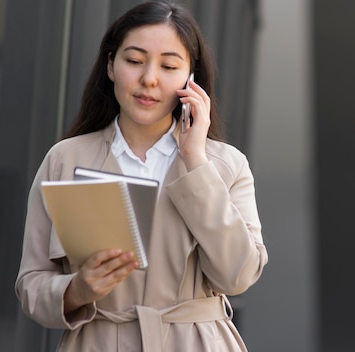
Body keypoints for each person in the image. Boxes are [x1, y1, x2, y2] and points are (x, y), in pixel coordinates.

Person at [14, 1, 268, 351]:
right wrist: (78, 290)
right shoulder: (65, 160)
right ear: (111, 66)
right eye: (134, 61)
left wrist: (195, 160)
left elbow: (238, 275)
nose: (149, 78)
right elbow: (31, 282)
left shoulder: (226, 165)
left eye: (168, 66)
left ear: (190, 79)